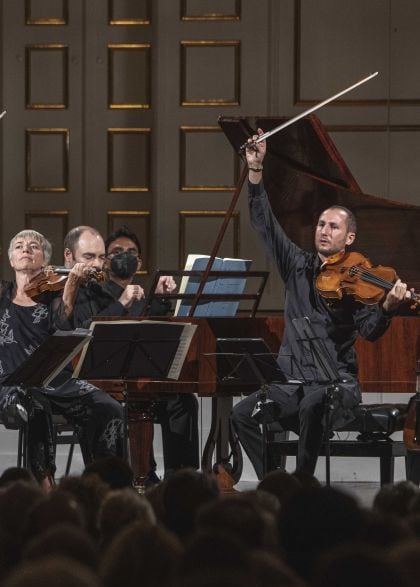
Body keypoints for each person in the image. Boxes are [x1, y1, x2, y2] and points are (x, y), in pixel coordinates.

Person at [231, 130, 411, 480]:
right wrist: (255, 172)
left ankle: (303, 481)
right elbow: (265, 225)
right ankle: (275, 482)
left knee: (314, 404)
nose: (324, 231)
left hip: (337, 386)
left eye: (334, 226)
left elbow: (370, 332)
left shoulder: (356, 281)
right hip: (291, 385)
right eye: (321, 224)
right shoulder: (296, 264)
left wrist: (388, 307)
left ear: (350, 237)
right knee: (241, 414)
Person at [66, 225, 199, 482]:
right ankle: (138, 475)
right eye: (116, 251)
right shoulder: (89, 291)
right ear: (106, 260)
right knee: (132, 403)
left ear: (139, 261)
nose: (124, 256)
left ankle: (181, 480)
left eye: (131, 252)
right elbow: (88, 334)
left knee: (183, 402)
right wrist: (121, 303)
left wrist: (160, 299)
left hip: (142, 383)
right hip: (105, 383)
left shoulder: (141, 298)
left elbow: (156, 339)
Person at [0, 230, 123, 486]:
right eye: (19, 246)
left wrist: (72, 285)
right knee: (34, 403)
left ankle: (102, 482)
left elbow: (63, 329)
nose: (26, 249)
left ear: (45, 260)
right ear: (11, 259)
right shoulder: (2, 295)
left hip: (54, 381)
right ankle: (45, 484)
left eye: (34, 246)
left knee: (109, 407)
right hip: (14, 383)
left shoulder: (53, 297)